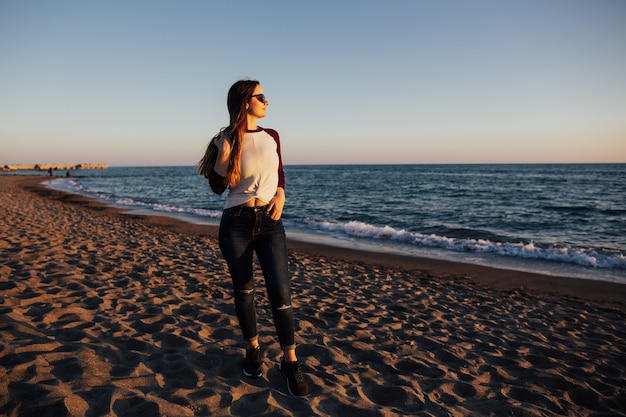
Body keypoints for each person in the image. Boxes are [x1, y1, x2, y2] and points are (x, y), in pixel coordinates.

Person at [198, 80, 310, 397]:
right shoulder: (225, 139)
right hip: (235, 222)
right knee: (244, 290)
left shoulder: (272, 136)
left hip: (270, 222)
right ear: (246, 101)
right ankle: (253, 351)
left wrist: (282, 194)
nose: (267, 102)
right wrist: (224, 152)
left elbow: (280, 171)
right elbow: (218, 187)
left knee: (280, 291)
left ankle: (290, 362)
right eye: (262, 97)